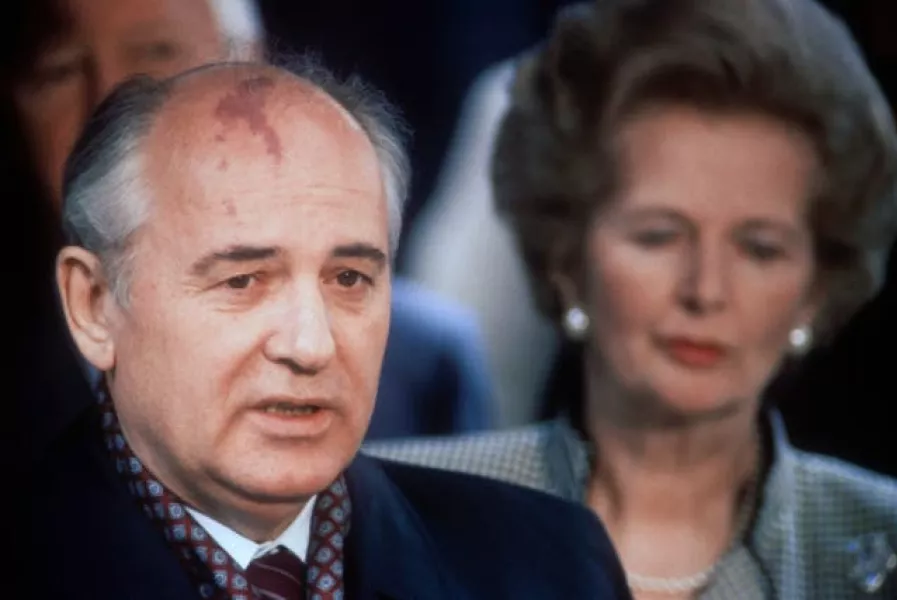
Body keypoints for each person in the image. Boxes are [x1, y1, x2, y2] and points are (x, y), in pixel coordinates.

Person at [27, 59, 631, 599]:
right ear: (93, 304)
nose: (310, 345)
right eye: (243, 281)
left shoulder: (553, 567)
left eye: (348, 279)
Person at [365, 0, 897, 598]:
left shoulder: (883, 540)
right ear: (568, 259)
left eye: (760, 249)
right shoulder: (395, 515)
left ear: (815, 289)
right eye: (659, 236)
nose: (706, 290)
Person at [10, 0, 495, 457]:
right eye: (58, 71)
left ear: (250, 67)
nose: (107, 100)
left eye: (156, 52)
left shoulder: (423, 366)